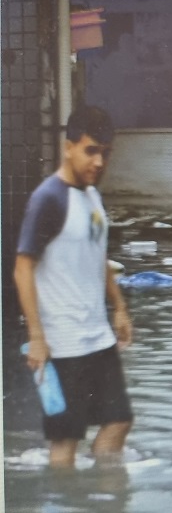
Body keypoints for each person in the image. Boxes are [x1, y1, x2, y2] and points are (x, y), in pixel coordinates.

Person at [14, 105, 135, 468]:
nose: (98, 162)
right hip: (63, 344)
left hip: (97, 337)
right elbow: (22, 268)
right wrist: (36, 336)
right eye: (90, 150)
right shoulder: (48, 199)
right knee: (66, 439)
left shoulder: (92, 196)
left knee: (118, 421)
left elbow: (98, 257)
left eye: (105, 153)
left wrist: (120, 308)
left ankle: (101, 508)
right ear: (69, 147)